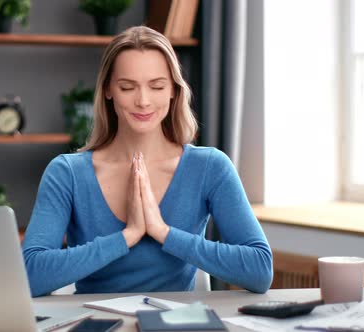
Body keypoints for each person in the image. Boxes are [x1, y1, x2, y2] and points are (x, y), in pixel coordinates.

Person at [22, 26, 273, 297]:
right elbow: (30, 275)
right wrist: (127, 236)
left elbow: (260, 271)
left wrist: (163, 232)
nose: (143, 101)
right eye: (127, 87)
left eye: (157, 86)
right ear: (108, 90)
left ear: (173, 91)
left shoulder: (210, 167)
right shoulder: (67, 173)